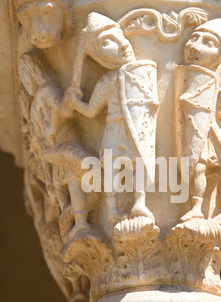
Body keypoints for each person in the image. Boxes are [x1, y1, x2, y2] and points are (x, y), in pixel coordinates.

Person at [63, 12, 159, 224]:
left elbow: (151, 105)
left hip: (139, 128)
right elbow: (90, 111)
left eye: (119, 37)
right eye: (108, 43)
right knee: (113, 168)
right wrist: (74, 102)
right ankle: (112, 209)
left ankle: (140, 203)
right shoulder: (107, 81)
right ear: (100, 57)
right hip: (114, 128)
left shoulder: (144, 71)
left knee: (140, 163)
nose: (122, 45)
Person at [175, 18, 221, 222]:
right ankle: (198, 207)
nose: (196, 46)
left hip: (212, 129)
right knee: (198, 167)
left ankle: (213, 209)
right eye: (193, 37)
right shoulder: (183, 72)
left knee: (216, 169)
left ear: (220, 52)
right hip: (190, 127)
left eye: (209, 43)